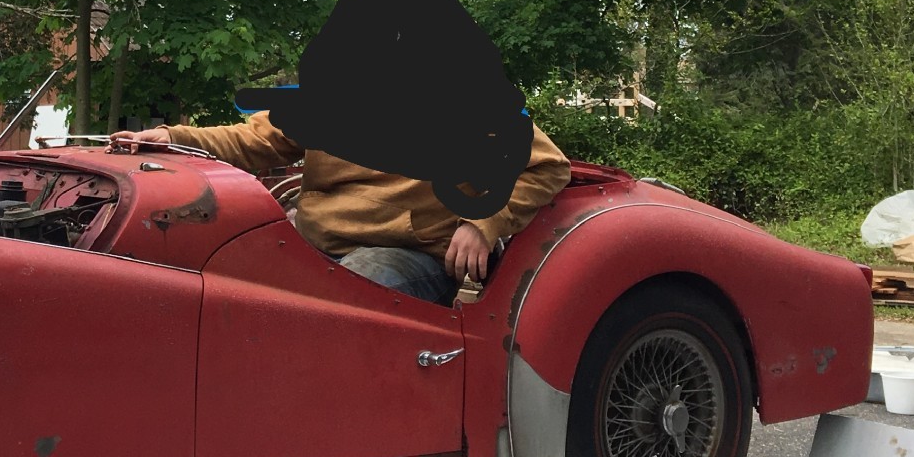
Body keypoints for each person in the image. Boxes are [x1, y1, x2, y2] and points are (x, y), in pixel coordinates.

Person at [111, 112, 571, 305]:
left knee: (334, 305)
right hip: (314, 243)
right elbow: (253, 138)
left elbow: (548, 168)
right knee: (220, 285)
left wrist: (484, 222)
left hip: (408, 253)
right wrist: (174, 137)